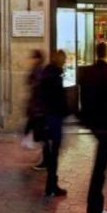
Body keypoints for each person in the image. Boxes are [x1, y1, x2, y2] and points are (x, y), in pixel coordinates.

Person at [78, 42, 107, 213]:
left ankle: (94, 207)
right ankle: (95, 209)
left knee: (100, 167)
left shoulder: (88, 72)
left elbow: (84, 96)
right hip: (105, 124)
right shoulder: (106, 72)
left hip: (94, 122)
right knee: (100, 169)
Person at [38, 50, 70, 197]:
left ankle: (50, 185)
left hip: (46, 118)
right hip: (53, 119)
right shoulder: (55, 77)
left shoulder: (47, 73)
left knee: (51, 152)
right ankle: (51, 186)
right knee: (54, 154)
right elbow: (58, 99)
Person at [24, 50, 48, 171]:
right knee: (40, 135)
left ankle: (46, 160)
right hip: (38, 108)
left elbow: (37, 90)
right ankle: (45, 159)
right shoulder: (37, 70)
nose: (30, 60)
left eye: (33, 57)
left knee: (42, 135)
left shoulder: (38, 71)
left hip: (39, 109)